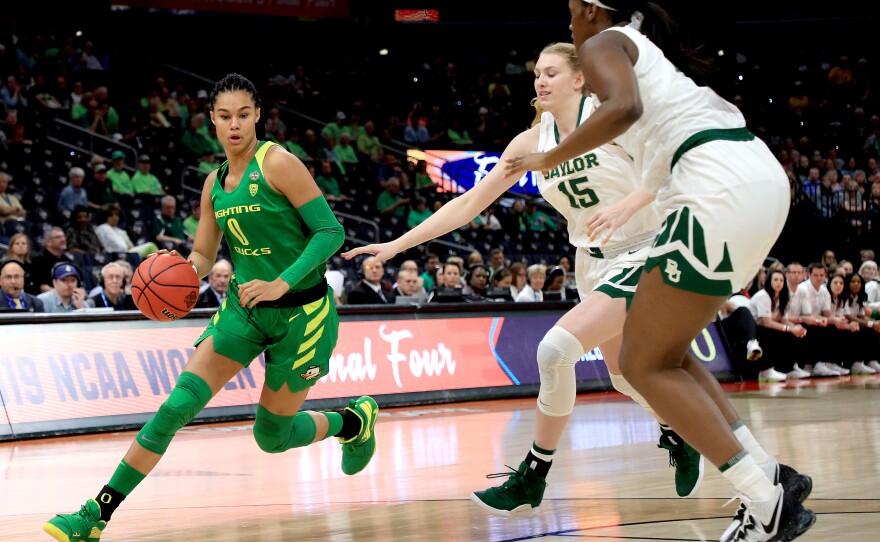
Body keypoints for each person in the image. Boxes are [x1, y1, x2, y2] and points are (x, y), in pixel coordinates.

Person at [343, 41, 714, 515]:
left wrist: (626, 206)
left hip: (646, 249)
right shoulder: (529, 143)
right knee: (625, 378)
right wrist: (396, 245)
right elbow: (468, 204)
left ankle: (532, 477)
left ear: (580, 79)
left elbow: (668, 164)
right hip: (593, 260)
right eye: (537, 72)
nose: (540, 80)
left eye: (552, 72)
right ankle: (679, 433)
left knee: (555, 350)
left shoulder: (609, 116)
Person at [501, 4, 814, 541]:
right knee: (668, 358)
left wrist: (549, 159)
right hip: (755, 175)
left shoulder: (604, 44)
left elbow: (622, 107)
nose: (572, 27)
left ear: (594, 12)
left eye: (575, 13)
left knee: (639, 365)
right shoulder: (649, 53)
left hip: (711, 184)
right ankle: (771, 476)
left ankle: (765, 505)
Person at [44, 73, 379, 542]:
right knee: (174, 408)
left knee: (271, 438)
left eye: (244, 114)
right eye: (225, 116)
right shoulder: (214, 184)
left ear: (258, 115)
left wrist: (282, 283)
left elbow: (331, 233)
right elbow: (202, 258)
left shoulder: (279, 163)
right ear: (213, 122)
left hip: (304, 315)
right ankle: (93, 515)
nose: (235, 124)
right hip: (243, 310)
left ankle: (353, 421)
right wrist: (174, 274)